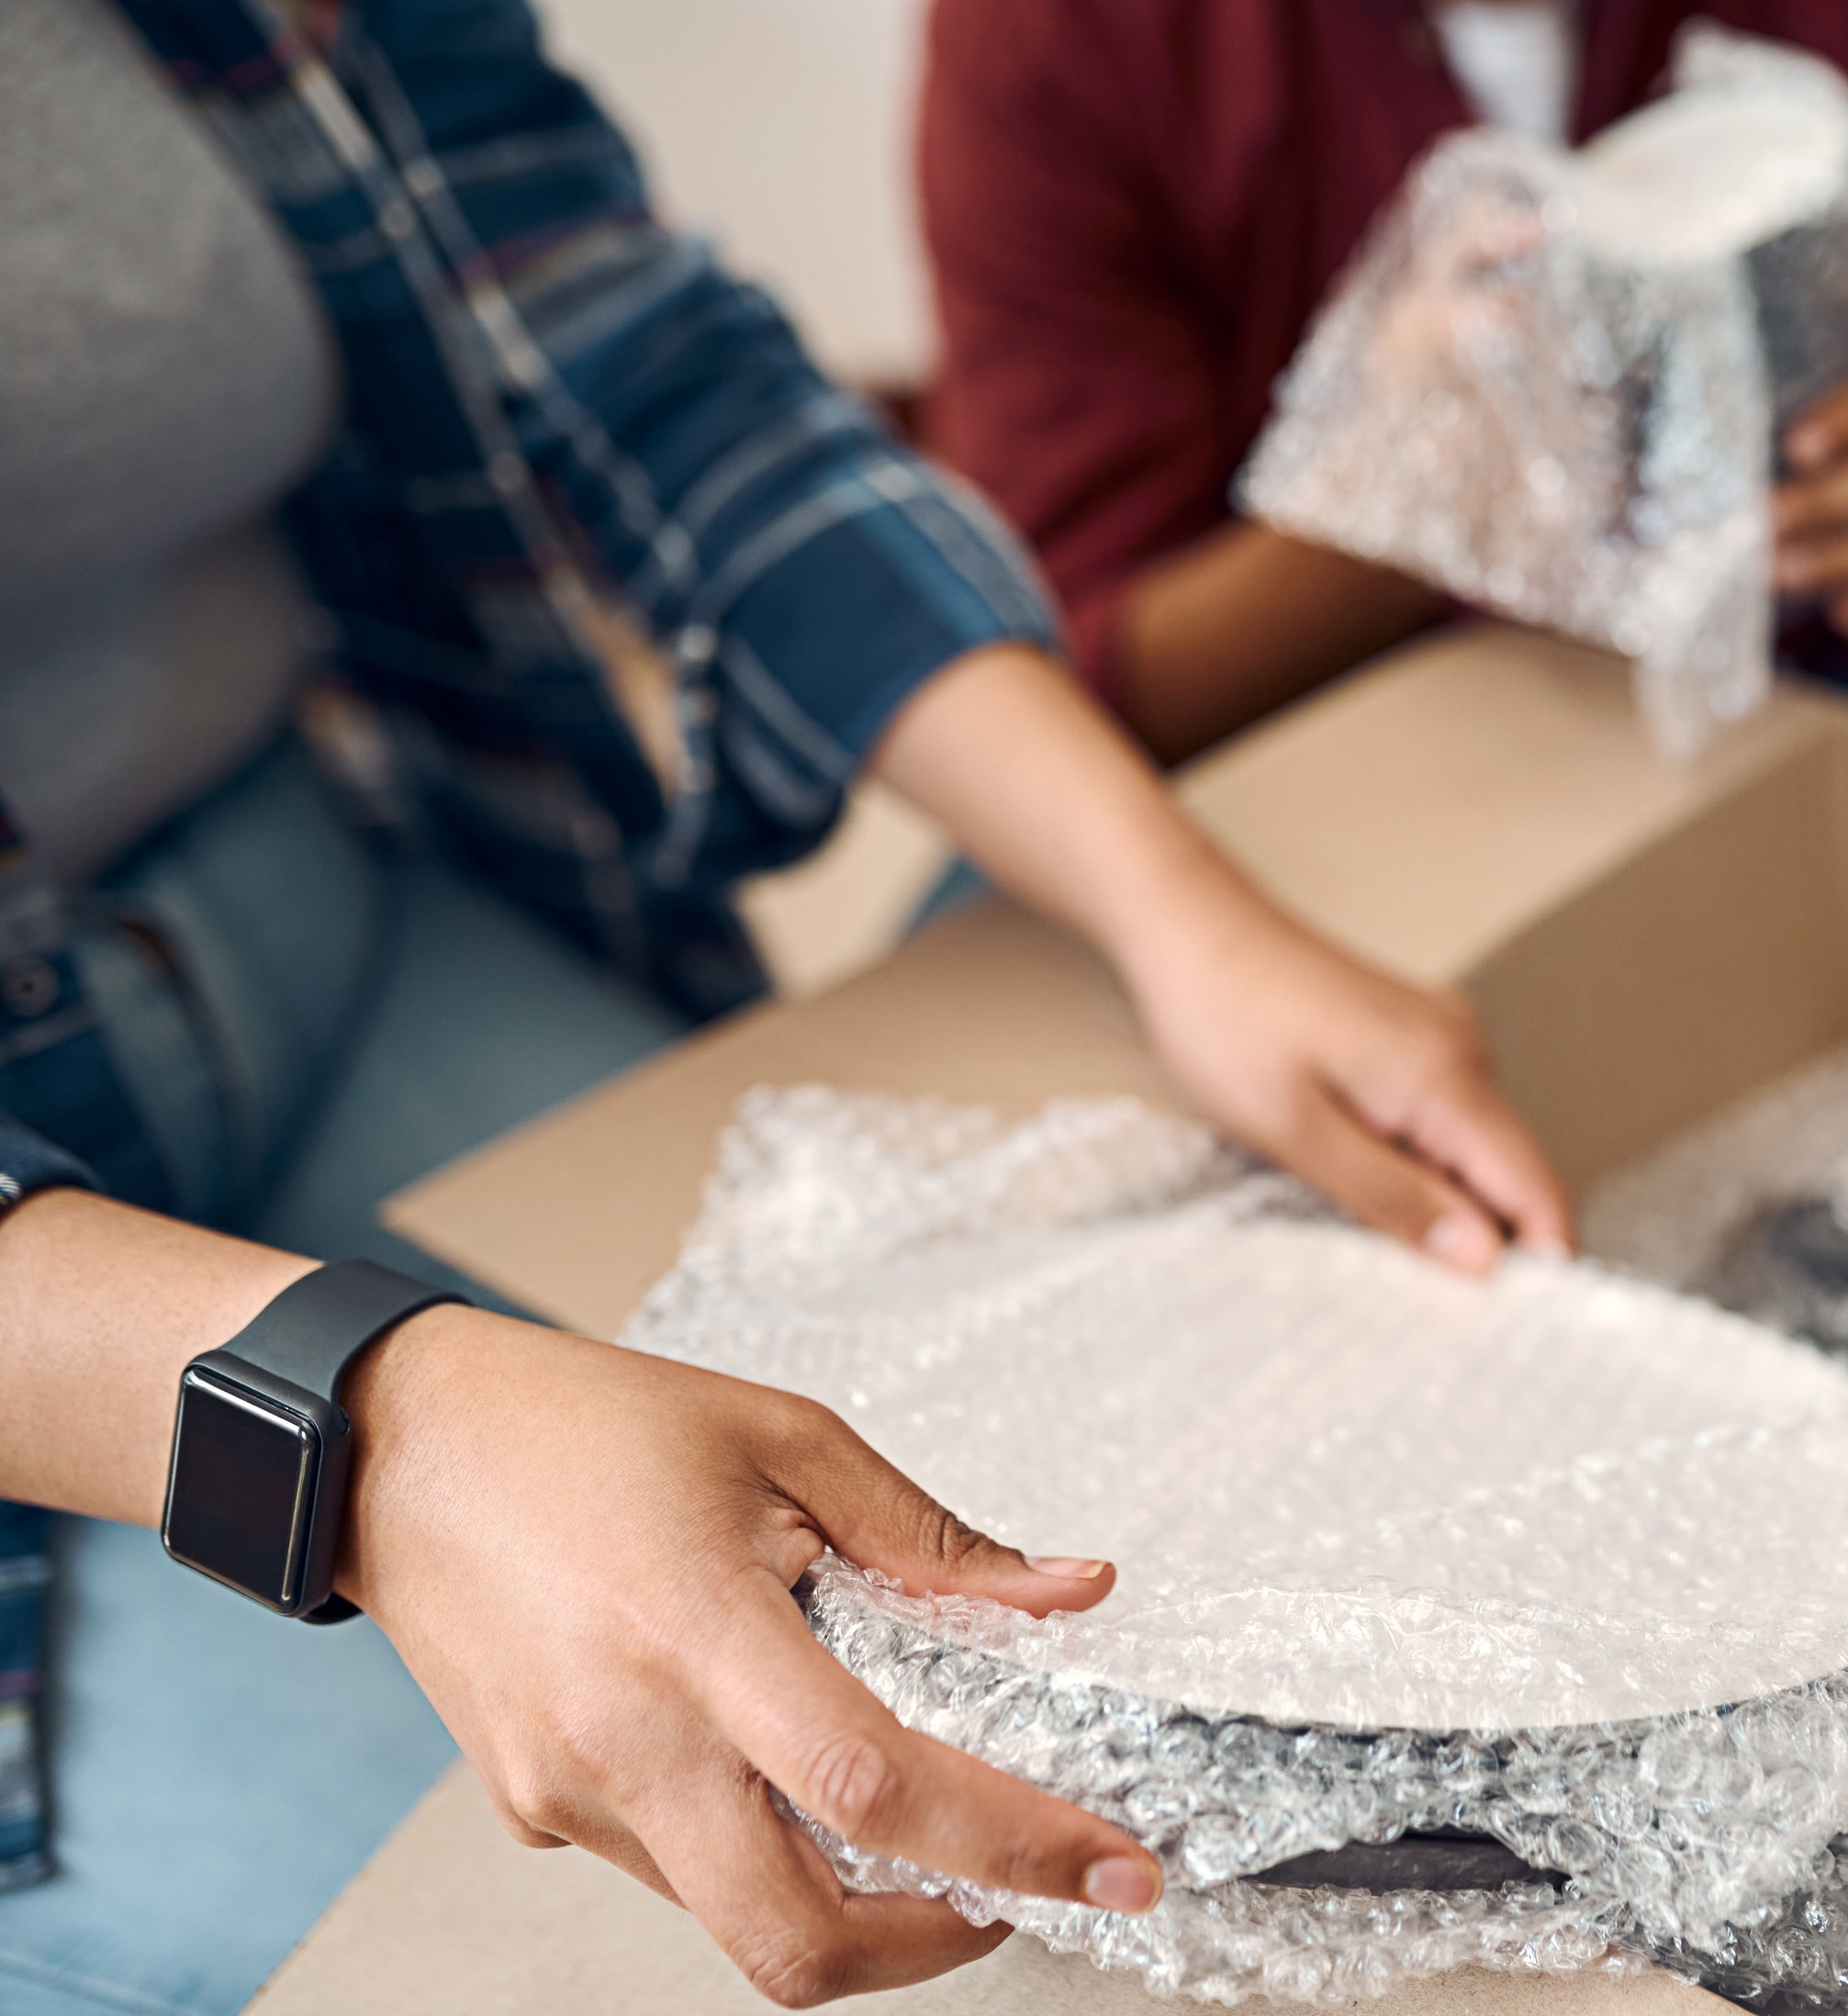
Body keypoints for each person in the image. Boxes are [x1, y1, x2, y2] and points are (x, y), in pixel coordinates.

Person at [0, 3, 1571, 2011]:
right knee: (594, 1923)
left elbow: (643, 371)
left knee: (1013, 1547)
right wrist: (376, 1429)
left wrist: (1181, 915)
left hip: (315, 890)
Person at [923, 0, 1848, 762]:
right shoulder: (1061, 41)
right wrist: (1396, 507)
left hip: (1813, 718)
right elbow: (1073, 683)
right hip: (1331, 763)